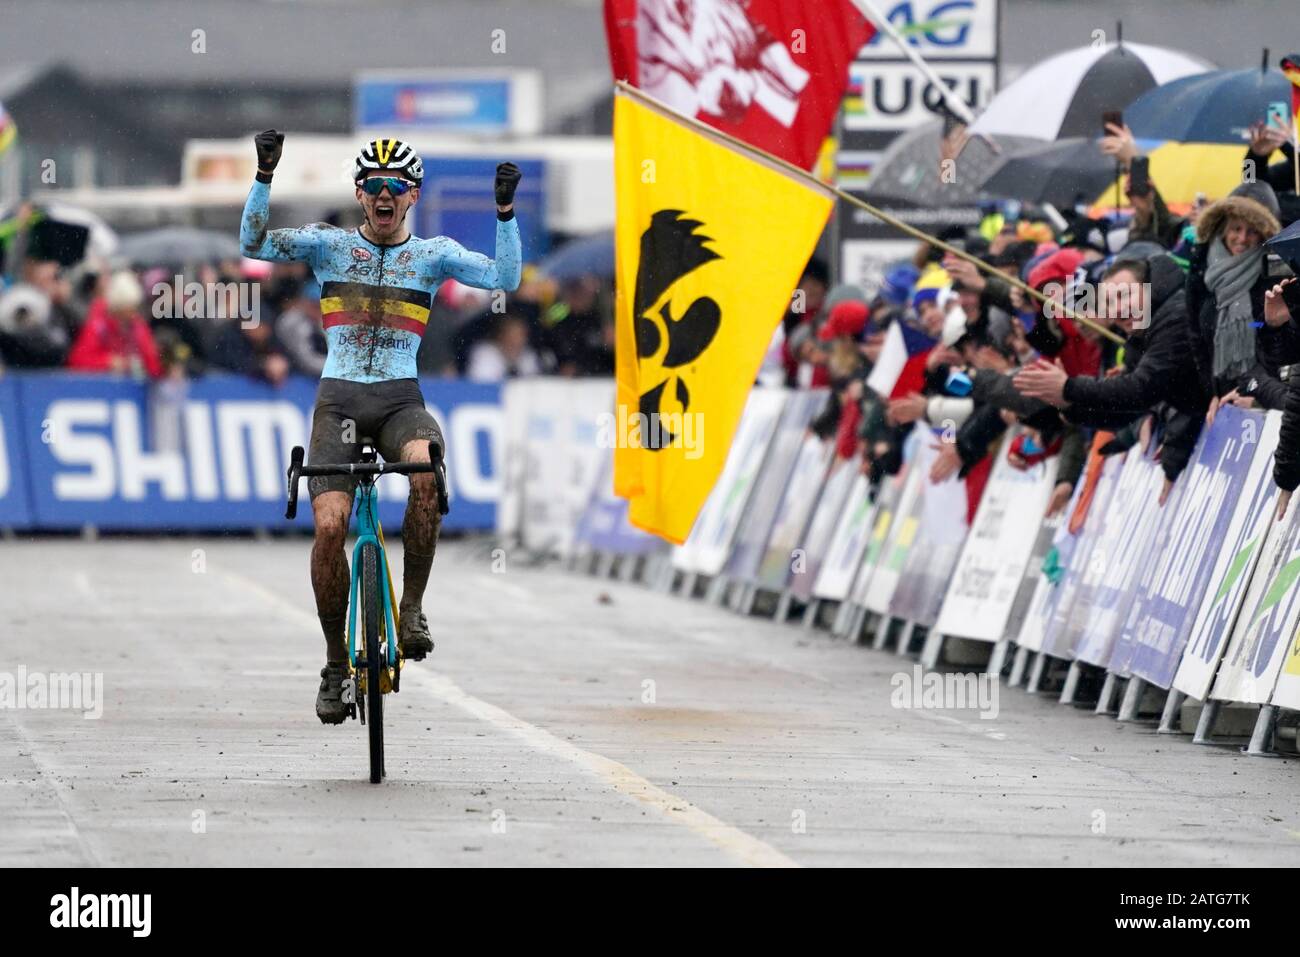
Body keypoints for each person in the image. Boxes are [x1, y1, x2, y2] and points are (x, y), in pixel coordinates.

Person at [240, 130, 522, 723]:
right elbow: (255, 241)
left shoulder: (434, 256)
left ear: (413, 194)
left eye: (395, 187)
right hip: (339, 402)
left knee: (424, 469)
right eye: (373, 186)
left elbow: (506, 277)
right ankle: (336, 665)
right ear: (360, 194)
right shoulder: (328, 247)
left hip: (399, 400)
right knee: (329, 529)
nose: (384, 194)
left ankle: (412, 608)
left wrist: (504, 213)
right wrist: (265, 176)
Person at [66, 271, 163, 379]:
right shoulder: (98, 326)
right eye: (128, 309)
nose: (132, 315)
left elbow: (153, 363)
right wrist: (108, 362)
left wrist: (138, 365)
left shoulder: (138, 326)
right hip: (101, 388)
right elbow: (78, 361)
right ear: (117, 308)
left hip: (130, 389)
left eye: (134, 308)